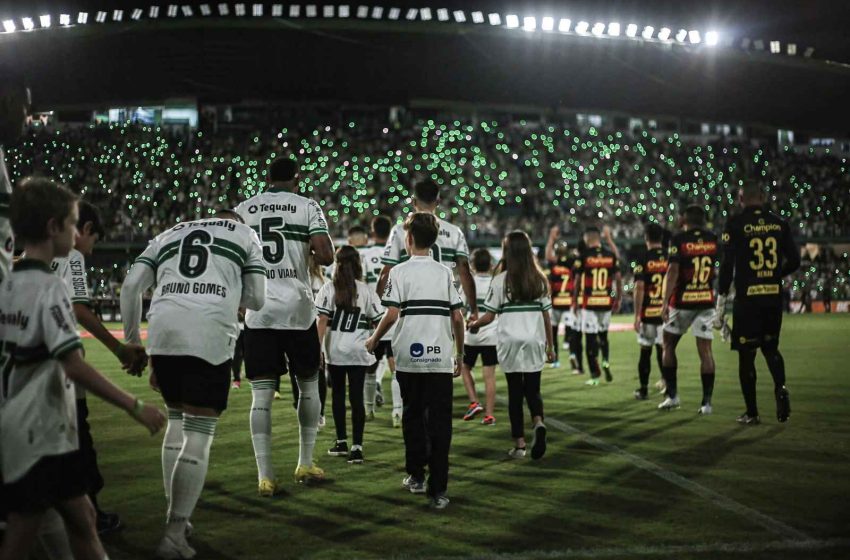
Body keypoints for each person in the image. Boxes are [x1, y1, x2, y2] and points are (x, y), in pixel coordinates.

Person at [1, 178, 164, 560]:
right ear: (53, 227)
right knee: (24, 533)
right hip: (40, 430)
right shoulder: (50, 287)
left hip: (25, 423)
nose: (77, 235)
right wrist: (135, 407)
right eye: (74, 224)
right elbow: (73, 365)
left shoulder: (8, 284)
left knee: (82, 517)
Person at [121, 208, 266, 557]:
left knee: (176, 419)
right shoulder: (245, 235)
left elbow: (129, 288)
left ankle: (177, 515)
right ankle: (173, 533)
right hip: (209, 328)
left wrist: (131, 340)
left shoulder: (170, 232)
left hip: (164, 329)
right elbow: (257, 298)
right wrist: (228, 291)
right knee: (199, 434)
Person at [235, 157, 334, 494]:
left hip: (258, 309)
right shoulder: (307, 206)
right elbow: (326, 254)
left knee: (260, 395)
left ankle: (265, 476)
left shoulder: (244, 209)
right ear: (297, 179)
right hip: (297, 308)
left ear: (267, 177)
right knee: (308, 385)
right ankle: (305, 461)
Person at [49, 200, 147, 535]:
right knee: (81, 446)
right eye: (94, 241)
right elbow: (80, 310)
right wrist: (119, 348)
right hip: (60, 369)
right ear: (85, 229)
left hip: (24, 368)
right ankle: (90, 517)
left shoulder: (28, 256)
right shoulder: (71, 257)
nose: (90, 252)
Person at [366, 213, 465, 510]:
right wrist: (459, 354)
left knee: (412, 418)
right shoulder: (444, 272)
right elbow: (457, 317)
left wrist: (373, 339)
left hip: (409, 357)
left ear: (408, 239)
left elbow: (392, 313)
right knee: (440, 424)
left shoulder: (399, 272)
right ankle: (439, 490)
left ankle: (416, 476)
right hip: (438, 359)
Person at [715, 182, 800, 424]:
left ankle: (752, 413)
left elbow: (727, 265)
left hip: (748, 300)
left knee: (746, 355)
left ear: (741, 199)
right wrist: (775, 274)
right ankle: (780, 386)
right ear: (762, 197)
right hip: (773, 297)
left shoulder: (735, 224)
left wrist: (721, 298)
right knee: (771, 348)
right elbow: (794, 260)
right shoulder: (779, 224)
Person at [468, 232, 553, 459]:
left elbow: (489, 316)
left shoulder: (500, 280)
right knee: (533, 390)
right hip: (535, 340)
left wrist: (474, 325)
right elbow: (547, 317)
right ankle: (538, 423)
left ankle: (520, 445)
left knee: (515, 393)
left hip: (509, 341)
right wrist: (551, 346)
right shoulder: (540, 279)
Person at [316, 246, 384, 464]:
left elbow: (322, 321)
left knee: (337, 396)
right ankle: (357, 447)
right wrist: (373, 339)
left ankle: (341, 441)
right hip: (358, 349)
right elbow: (378, 319)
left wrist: (317, 349)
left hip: (335, 350)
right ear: (357, 264)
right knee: (356, 398)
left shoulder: (328, 288)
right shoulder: (365, 290)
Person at [659, 205, 718, 413]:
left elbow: (673, 270)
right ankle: (706, 403)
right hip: (706, 300)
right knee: (706, 352)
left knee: (668, 345)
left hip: (682, 301)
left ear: (685, 218)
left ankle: (673, 397)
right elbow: (717, 268)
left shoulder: (679, 240)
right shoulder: (713, 239)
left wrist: (665, 301)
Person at [571, 226, 622, 385]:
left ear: (588, 238)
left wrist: (574, 301)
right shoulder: (610, 255)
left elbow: (578, 281)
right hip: (606, 301)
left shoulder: (584, 256)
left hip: (590, 302)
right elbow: (618, 278)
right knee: (603, 335)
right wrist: (618, 298)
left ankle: (594, 374)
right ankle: (606, 360)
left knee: (590, 339)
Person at [359, 216, 397, 423]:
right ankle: (397, 412)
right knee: (396, 366)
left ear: (372, 231)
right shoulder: (399, 254)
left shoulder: (364, 254)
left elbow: (361, 284)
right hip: (394, 315)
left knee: (370, 366)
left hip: (373, 315)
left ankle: (369, 410)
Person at [460, 248, 499, 425]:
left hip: (472, 334)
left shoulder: (469, 281)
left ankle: (474, 401)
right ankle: (489, 415)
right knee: (489, 375)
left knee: (465, 367)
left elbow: (460, 309)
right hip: (492, 334)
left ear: (473, 265)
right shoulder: (496, 282)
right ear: (491, 264)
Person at [632, 223, 668, 400]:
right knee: (665, 351)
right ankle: (669, 387)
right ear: (661, 238)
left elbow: (639, 288)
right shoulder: (670, 256)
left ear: (646, 237)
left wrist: (637, 315)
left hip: (649, 313)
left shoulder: (643, 257)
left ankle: (643, 389)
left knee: (645, 351)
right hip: (666, 312)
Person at [545, 225, 578, 371]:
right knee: (570, 329)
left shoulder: (553, 265)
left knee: (553, 332)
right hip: (568, 301)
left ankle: (555, 359)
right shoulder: (571, 263)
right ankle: (572, 353)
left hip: (556, 301)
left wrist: (551, 238)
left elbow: (548, 256)